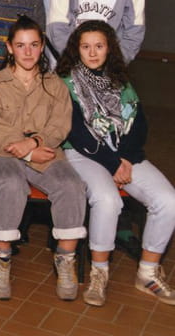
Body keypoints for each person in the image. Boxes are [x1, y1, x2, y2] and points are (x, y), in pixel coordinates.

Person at [57, 21, 175, 307]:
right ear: (76, 49)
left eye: (99, 46)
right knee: (108, 200)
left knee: (169, 200)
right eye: (86, 47)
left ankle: (147, 272)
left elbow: (139, 124)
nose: (93, 53)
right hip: (83, 154)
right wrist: (113, 164)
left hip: (123, 155)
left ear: (109, 48)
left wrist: (126, 158)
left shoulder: (120, 80)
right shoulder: (65, 82)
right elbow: (76, 132)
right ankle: (99, 273)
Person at [0, 16, 86, 302]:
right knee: (10, 182)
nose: (27, 52)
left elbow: (60, 125)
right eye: (20, 45)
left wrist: (36, 143)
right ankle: (1, 257)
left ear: (42, 47)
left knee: (71, 185)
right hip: (3, 151)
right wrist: (27, 150)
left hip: (45, 151)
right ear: (9, 48)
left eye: (34, 45)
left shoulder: (55, 85)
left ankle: (65, 258)